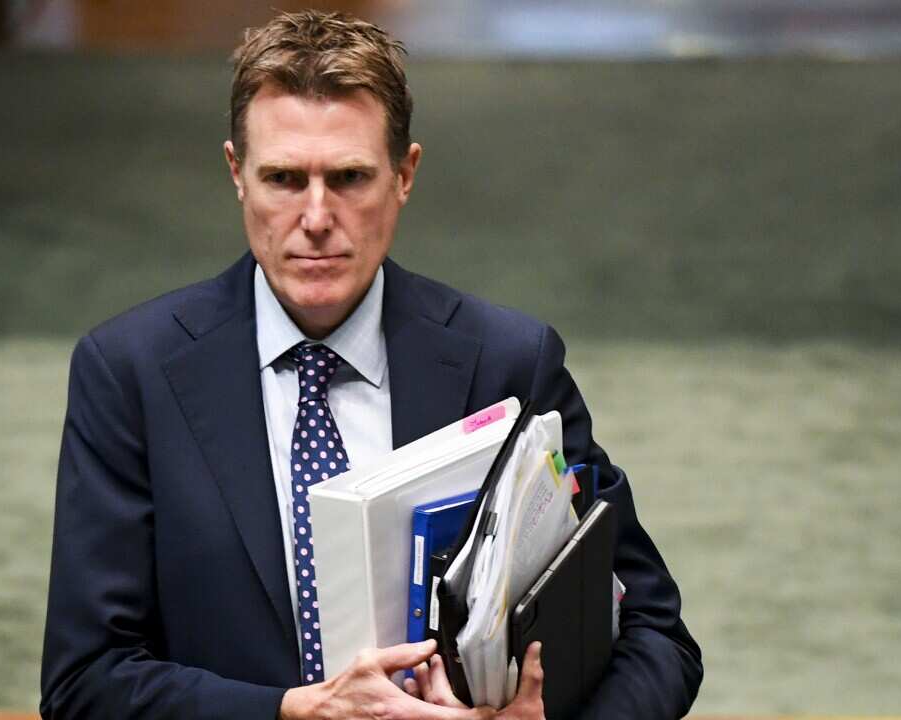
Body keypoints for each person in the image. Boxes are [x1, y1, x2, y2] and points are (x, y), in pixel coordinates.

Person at [40, 10, 702, 720]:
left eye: (350, 178)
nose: (317, 216)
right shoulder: (131, 374)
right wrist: (295, 711)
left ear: (404, 175)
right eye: (284, 179)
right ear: (237, 174)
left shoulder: (509, 364)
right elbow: (86, 683)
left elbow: (655, 635)